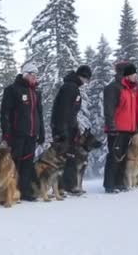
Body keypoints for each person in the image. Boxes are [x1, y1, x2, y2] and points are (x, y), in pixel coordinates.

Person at [0, 62, 45, 201]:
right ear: (25, 74)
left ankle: (24, 192)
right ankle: (10, 192)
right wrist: (7, 133)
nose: (35, 78)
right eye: (32, 75)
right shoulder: (13, 90)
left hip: (32, 134)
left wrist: (41, 132)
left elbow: (39, 114)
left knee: (27, 164)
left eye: (36, 75)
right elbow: (5, 113)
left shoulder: (36, 92)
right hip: (17, 134)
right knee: (14, 164)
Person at [51, 65, 92, 194]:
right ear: (82, 76)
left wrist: (75, 127)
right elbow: (63, 110)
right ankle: (64, 187)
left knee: (70, 156)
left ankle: (67, 185)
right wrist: (62, 130)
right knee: (66, 157)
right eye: (86, 79)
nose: (86, 82)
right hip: (63, 128)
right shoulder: (70, 88)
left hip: (69, 127)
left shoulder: (73, 87)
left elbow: (71, 112)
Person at [103, 62, 138, 194]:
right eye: (133, 74)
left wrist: (134, 127)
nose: (136, 76)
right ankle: (109, 184)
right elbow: (109, 109)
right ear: (126, 75)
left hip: (128, 129)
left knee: (123, 157)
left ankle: (119, 182)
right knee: (114, 156)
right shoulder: (113, 88)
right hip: (116, 129)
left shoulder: (130, 90)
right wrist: (111, 126)